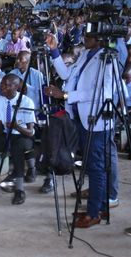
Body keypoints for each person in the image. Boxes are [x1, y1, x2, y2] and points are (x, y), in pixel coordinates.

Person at [44, 32, 116, 228]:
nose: (84, 38)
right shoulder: (86, 54)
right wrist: (54, 50)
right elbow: (67, 75)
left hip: (97, 120)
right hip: (81, 118)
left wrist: (66, 95)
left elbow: (102, 92)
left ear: (99, 38)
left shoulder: (107, 60)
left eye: (89, 36)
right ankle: (98, 206)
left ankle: (94, 213)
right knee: (91, 165)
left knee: (96, 167)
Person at [0, 74, 36, 205]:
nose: (2, 87)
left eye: (7, 85)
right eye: (2, 84)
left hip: (22, 135)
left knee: (17, 147)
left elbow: (30, 132)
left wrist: (16, 127)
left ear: (16, 87)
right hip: (6, 135)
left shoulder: (26, 101)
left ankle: (19, 189)